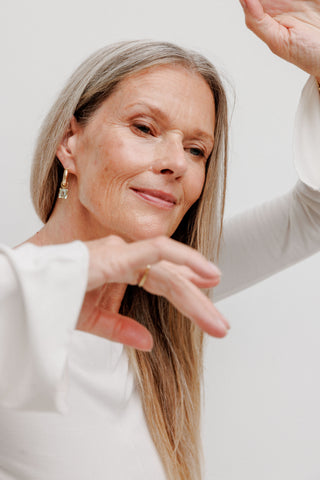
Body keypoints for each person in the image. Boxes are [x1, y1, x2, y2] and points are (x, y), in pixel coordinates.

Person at [0, 0, 320, 479]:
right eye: (144, 127)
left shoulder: (166, 289)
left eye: (197, 149)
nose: (177, 162)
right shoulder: (14, 307)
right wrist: (68, 276)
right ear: (71, 143)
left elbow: (313, 213)